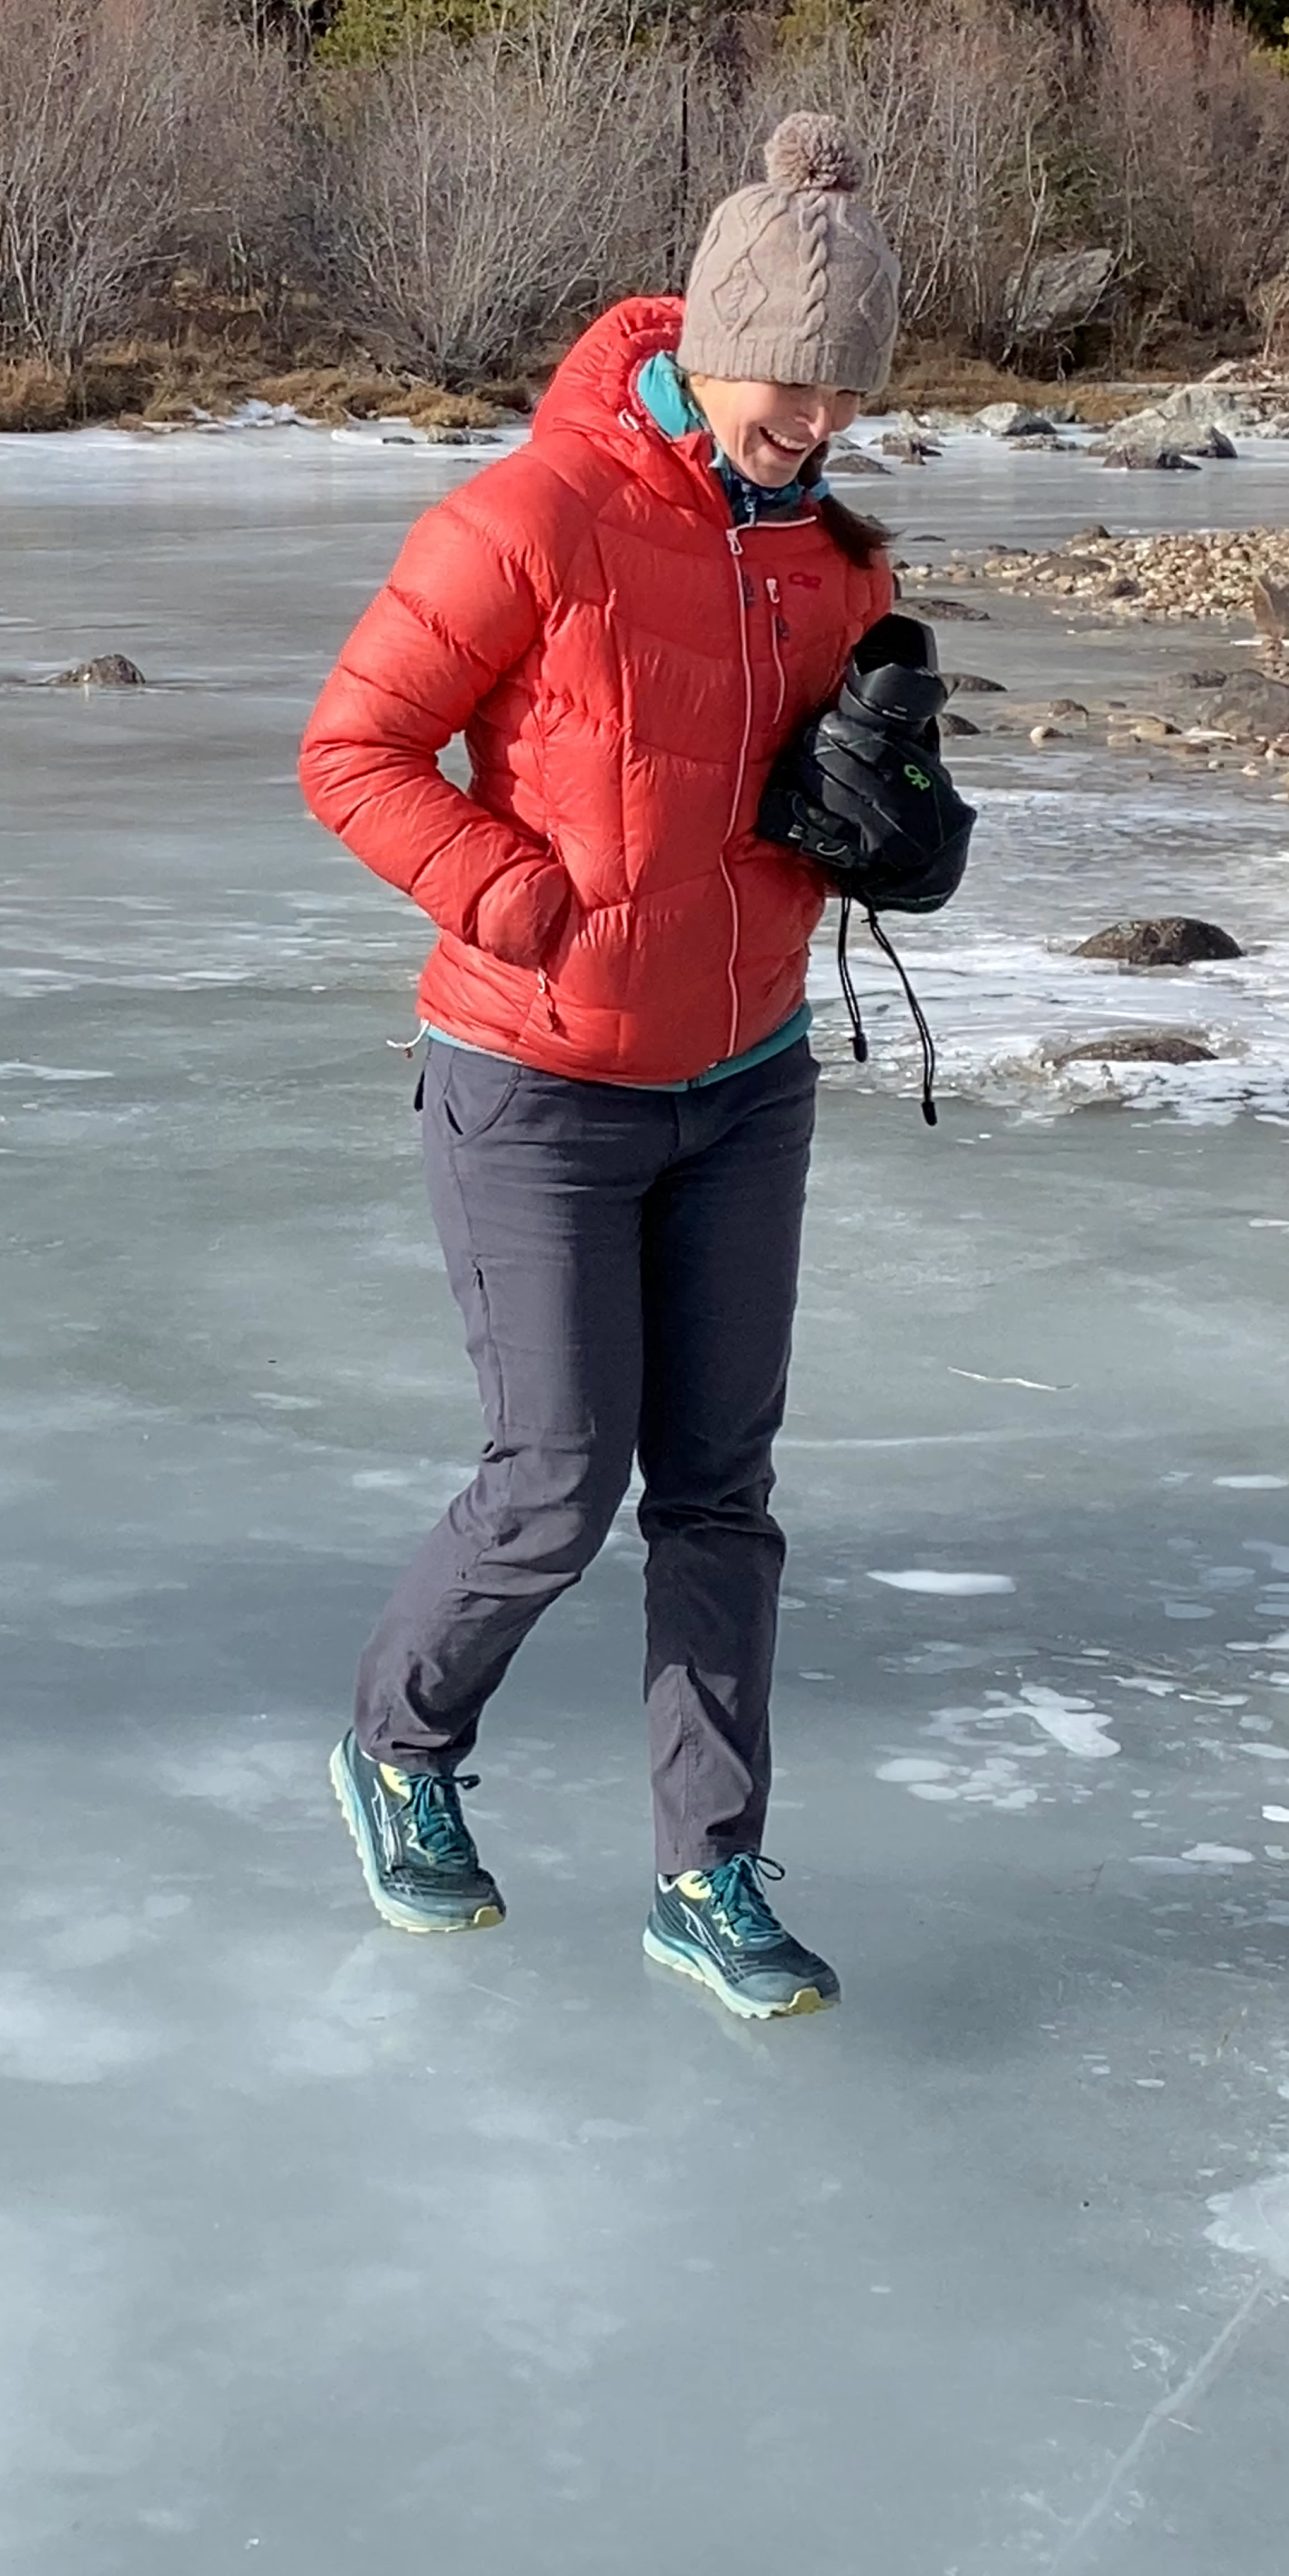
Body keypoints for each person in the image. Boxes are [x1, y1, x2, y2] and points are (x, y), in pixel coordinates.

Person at [298, 114, 921, 2019]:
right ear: (703, 342)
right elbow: (353, 751)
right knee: (557, 1479)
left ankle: (708, 1870)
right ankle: (399, 1743)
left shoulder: (832, 563)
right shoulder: (532, 516)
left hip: (747, 1078)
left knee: (720, 1489)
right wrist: (523, 903)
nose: (812, 418)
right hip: (537, 1082)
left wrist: (904, 821)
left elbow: (858, 799)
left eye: (845, 388)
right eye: (786, 379)